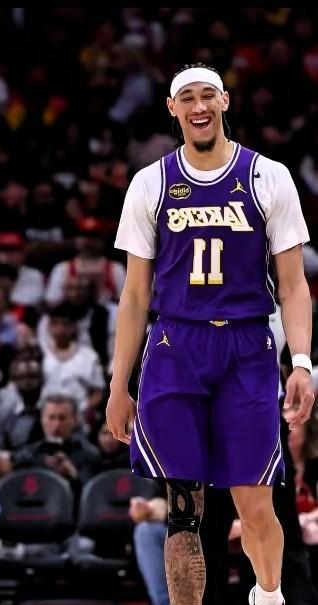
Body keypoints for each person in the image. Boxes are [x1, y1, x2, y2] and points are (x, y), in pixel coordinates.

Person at [106, 63, 315, 605]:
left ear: (224, 101)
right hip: (175, 346)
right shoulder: (150, 183)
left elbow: (293, 285)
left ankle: (268, 596)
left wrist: (301, 362)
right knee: (182, 510)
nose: (198, 107)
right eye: (187, 98)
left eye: (207, 96)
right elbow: (134, 295)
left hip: (247, 345)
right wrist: (118, 384)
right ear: (172, 109)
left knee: (255, 503)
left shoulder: (268, 176)